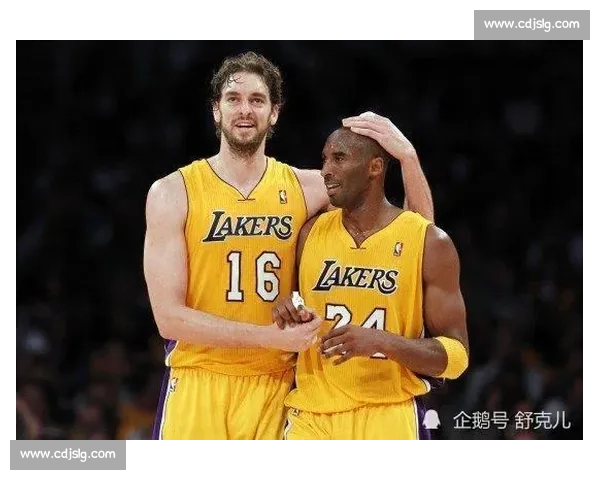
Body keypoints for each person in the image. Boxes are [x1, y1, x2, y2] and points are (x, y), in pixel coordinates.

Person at [143, 51, 435, 440]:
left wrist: (408, 158)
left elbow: (417, 243)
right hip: (198, 379)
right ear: (216, 110)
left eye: (257, 100)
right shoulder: (173, 192)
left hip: (277, 386)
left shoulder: (307, 187)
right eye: (233, 99)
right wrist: (269, 337)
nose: (244, 110)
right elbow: (168, 318)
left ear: (274, 112)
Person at [273, 125, 468, 440]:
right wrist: (288, 308)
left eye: (339, 158)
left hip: (388, 414)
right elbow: (293, 303)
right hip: (312, 415)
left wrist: (381, 342)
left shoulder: (429, 241)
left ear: (374, 168)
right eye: (324, 159)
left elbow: (457, 358)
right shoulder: (310, 233)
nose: (326, 170)